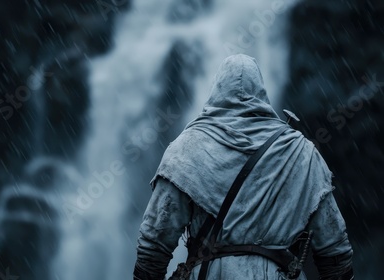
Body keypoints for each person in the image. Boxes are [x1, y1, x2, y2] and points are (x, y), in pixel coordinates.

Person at [133, 54, 354, 280]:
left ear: (216, 89)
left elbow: (155, 242)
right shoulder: (302, 153)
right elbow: (334, 250)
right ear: (260, 92)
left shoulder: (186, 149)